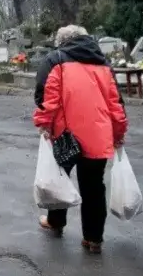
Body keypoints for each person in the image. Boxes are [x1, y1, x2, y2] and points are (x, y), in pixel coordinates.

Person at [33, 25, 129, 253]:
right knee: (94, 186)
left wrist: (43, 123)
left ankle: (56, 222)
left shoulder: (55, 60)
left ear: (62, 41)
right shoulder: (102, 64)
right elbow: (115, 102)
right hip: (98, 134)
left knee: (59, 178)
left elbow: (48, 96)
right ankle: (93, 238)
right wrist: (118, 132)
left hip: (65, 134)